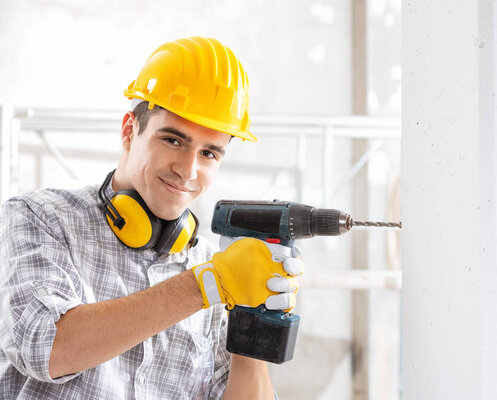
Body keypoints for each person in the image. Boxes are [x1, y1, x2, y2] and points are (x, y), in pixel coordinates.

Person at [0, 36, 302, 399]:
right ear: (130, 131)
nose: (188, 170)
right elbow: (44, 347)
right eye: (173, 140)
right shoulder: (40, 218)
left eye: (209, 153)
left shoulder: (215, 268)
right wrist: (203, 286)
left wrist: (253, 320)